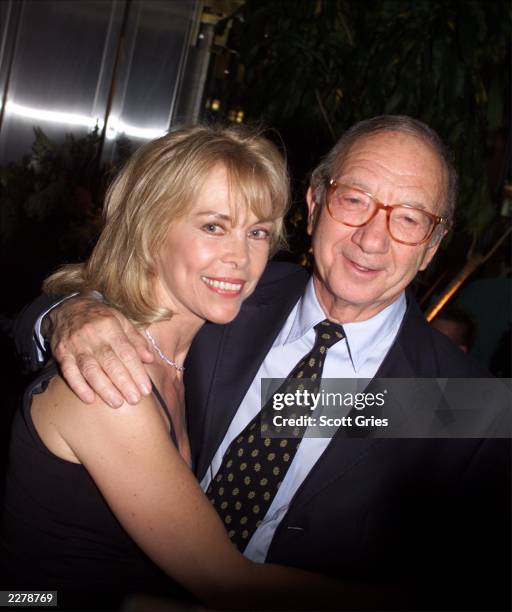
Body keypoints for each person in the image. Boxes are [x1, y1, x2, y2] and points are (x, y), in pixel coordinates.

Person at [14, 116, 511, 610]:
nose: (372, 238)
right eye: (354, 200)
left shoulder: (460, 401)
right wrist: (69, 314)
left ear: (432, 246)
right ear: (315, 205)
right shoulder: (229, 298)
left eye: (408, 218)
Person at [1, 124, 354, 611]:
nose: (241, 257)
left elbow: (366, 413)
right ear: (150, 229)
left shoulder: (225, 321)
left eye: (258, 233)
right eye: (213, 226)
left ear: (435, 243)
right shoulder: (110, 373)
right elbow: (227, 583)